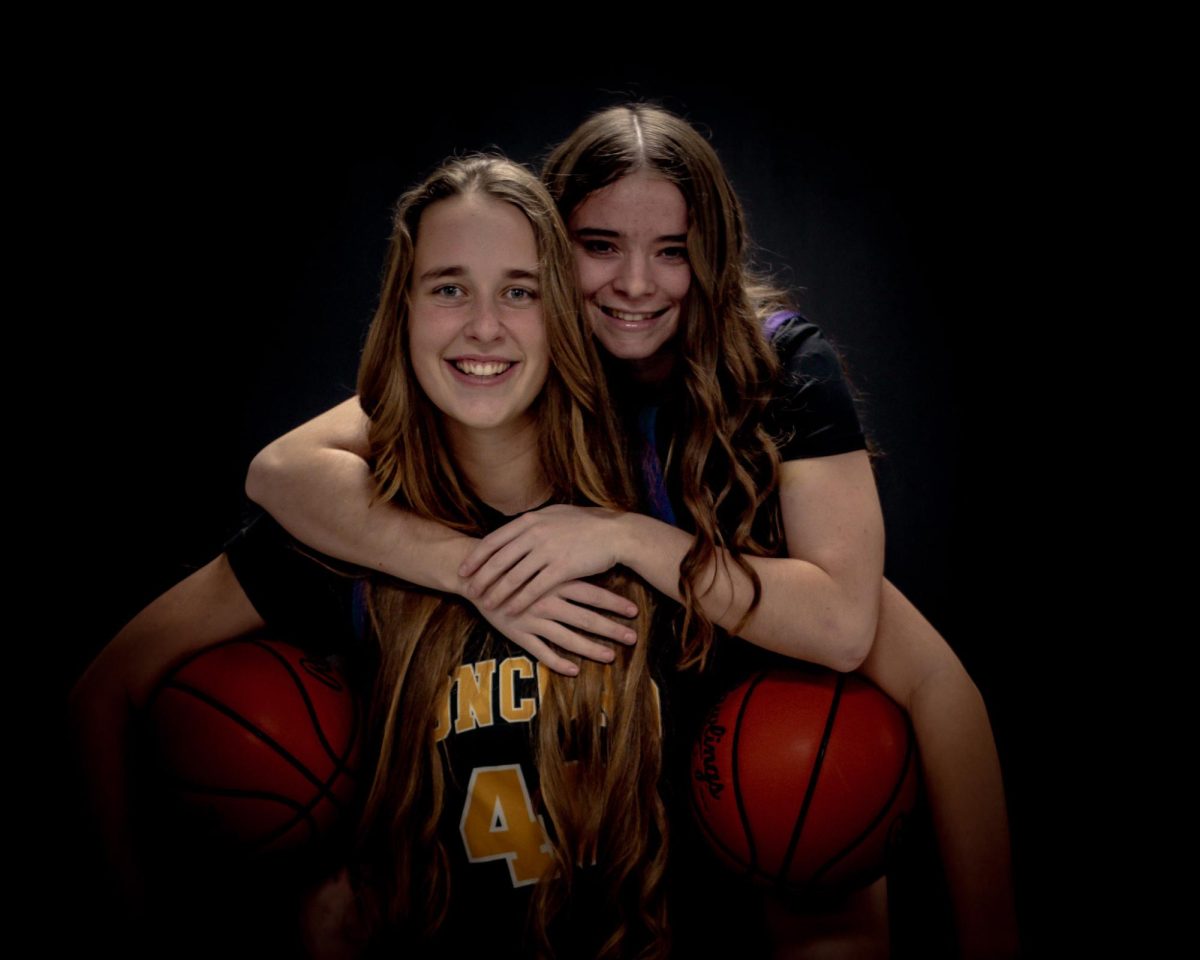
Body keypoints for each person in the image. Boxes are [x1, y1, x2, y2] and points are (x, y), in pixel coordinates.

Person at [247, 105, 1019, 958]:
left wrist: (623, 535)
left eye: (673, 250)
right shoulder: (511, 365)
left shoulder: (767, 382)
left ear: (713, 253)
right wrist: (471, 568)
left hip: (781, 762)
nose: (636, 285)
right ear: (545, 246)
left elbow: (870, 642)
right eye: (600, 246)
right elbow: (281, 471)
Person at [70, 154, 671, 959]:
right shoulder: (349, 524)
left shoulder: (654, 494)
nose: (484, 326)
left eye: (519, 291)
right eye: (449, 287)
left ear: (562, 311)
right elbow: (103, 694)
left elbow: (833, 635)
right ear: (404, 311)